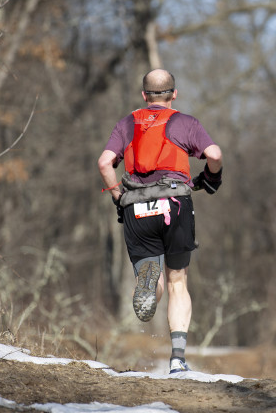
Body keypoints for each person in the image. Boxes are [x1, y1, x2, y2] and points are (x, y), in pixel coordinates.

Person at [98, 69, 222, 374]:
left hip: (136, 208)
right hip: (175, 204)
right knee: (178, 281)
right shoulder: (185, 122)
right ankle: (178, 359)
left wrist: (117, 196)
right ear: (174, 94)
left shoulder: (127, 123)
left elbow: (104, 163)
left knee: (150, 276)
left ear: (144, 96)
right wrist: (211, 176)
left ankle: (147, 281)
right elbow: (215, 154)